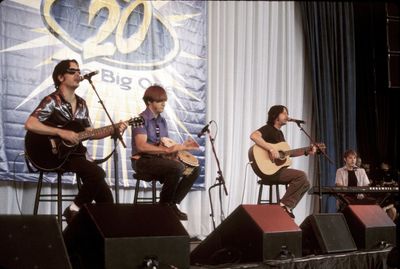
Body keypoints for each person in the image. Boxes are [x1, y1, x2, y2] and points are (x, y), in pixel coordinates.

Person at [25, 59, 127, 224]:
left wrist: (114, 128)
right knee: (98, 173)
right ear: (60, 77)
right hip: (53, 155)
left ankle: (94, 235)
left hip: (74, 154)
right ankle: (73, 208)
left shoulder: (81, 103)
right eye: (73, 71)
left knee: (106, 199)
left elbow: (89, 133)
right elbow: (30, 124)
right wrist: (60, 132)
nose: (78, 74)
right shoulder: (52, 100)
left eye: (79, 71)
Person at [131, 85, 200, 221]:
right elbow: (141, 146)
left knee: (194, 169)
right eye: (159, 100)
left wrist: (176, 151)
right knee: (176, 168)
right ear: (149, 102)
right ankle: (164, 208)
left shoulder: (162, 121)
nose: (163, 103)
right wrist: (167, 150)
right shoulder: (138, 119)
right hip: (142, 161)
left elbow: (164, 144)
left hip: (159, 160)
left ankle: (172, 204)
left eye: (164, 100)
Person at [250, 105, 316, 218]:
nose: (287, 116)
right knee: (301, 176)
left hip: (277, 170)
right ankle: (283, 206)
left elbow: (286, 153)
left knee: (306, 184)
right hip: (268, 171)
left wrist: (306, 151)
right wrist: (270, 149)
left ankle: (287, 207)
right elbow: (254, 136)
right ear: (276, 116)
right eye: (284, 113)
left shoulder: (280, 134)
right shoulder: (268, 128)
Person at [335, 150, 397, 220]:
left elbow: (366, 186)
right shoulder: (340, 171)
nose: (353, 160)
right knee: (349, 206)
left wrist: (361, 192)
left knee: (374, 203)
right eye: (350, 158)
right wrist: (350, 189)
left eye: (354, 158)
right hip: (346, 197)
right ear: (345, 159)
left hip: (359, 197)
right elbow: (339, 185)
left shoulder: (361, 171)